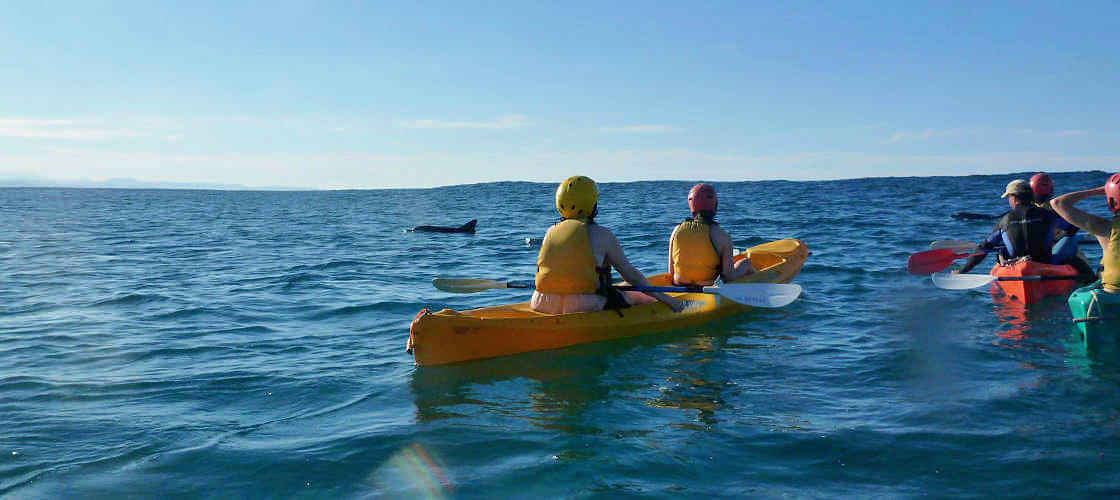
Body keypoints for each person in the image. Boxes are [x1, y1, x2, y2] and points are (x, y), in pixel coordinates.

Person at [531, 175, 684, 314]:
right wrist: (668, 300)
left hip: (541, 302)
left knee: (620, 286)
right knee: (636, 294)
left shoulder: (550, 232)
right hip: (584, 305)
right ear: (592, 203)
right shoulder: (602, 234)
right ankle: (667, 312)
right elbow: (632, 276)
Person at [956, 179, 1060, 274]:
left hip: (1017, 268)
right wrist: (1055, 239)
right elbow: (1071, 229)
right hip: (1045, 265)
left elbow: (983, 248)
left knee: (1001, 251)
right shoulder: (1048, 215)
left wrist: (963, 270)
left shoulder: (1005, 220)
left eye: (1009, 197)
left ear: (1014, 198)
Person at [667, 183, 756, 286]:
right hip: (708, 287)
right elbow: (728, 276)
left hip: (679, 284)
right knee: (746, 263)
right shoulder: (722, 236)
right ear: (715, 205)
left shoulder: (676, 230)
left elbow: (671, 272)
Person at [1050, 173, 1120, 293]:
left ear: (1111, 201)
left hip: (1112, 294)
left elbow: (1058, 203)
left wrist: (1099, 191)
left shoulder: (1105, 228)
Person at [1030, 173, 1080, 264]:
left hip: (1029, 255)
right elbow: (1073, 227)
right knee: (1072, 238)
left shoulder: (1024, 209)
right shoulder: (1052, 211)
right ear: (1050, 189)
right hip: (1046, 255)